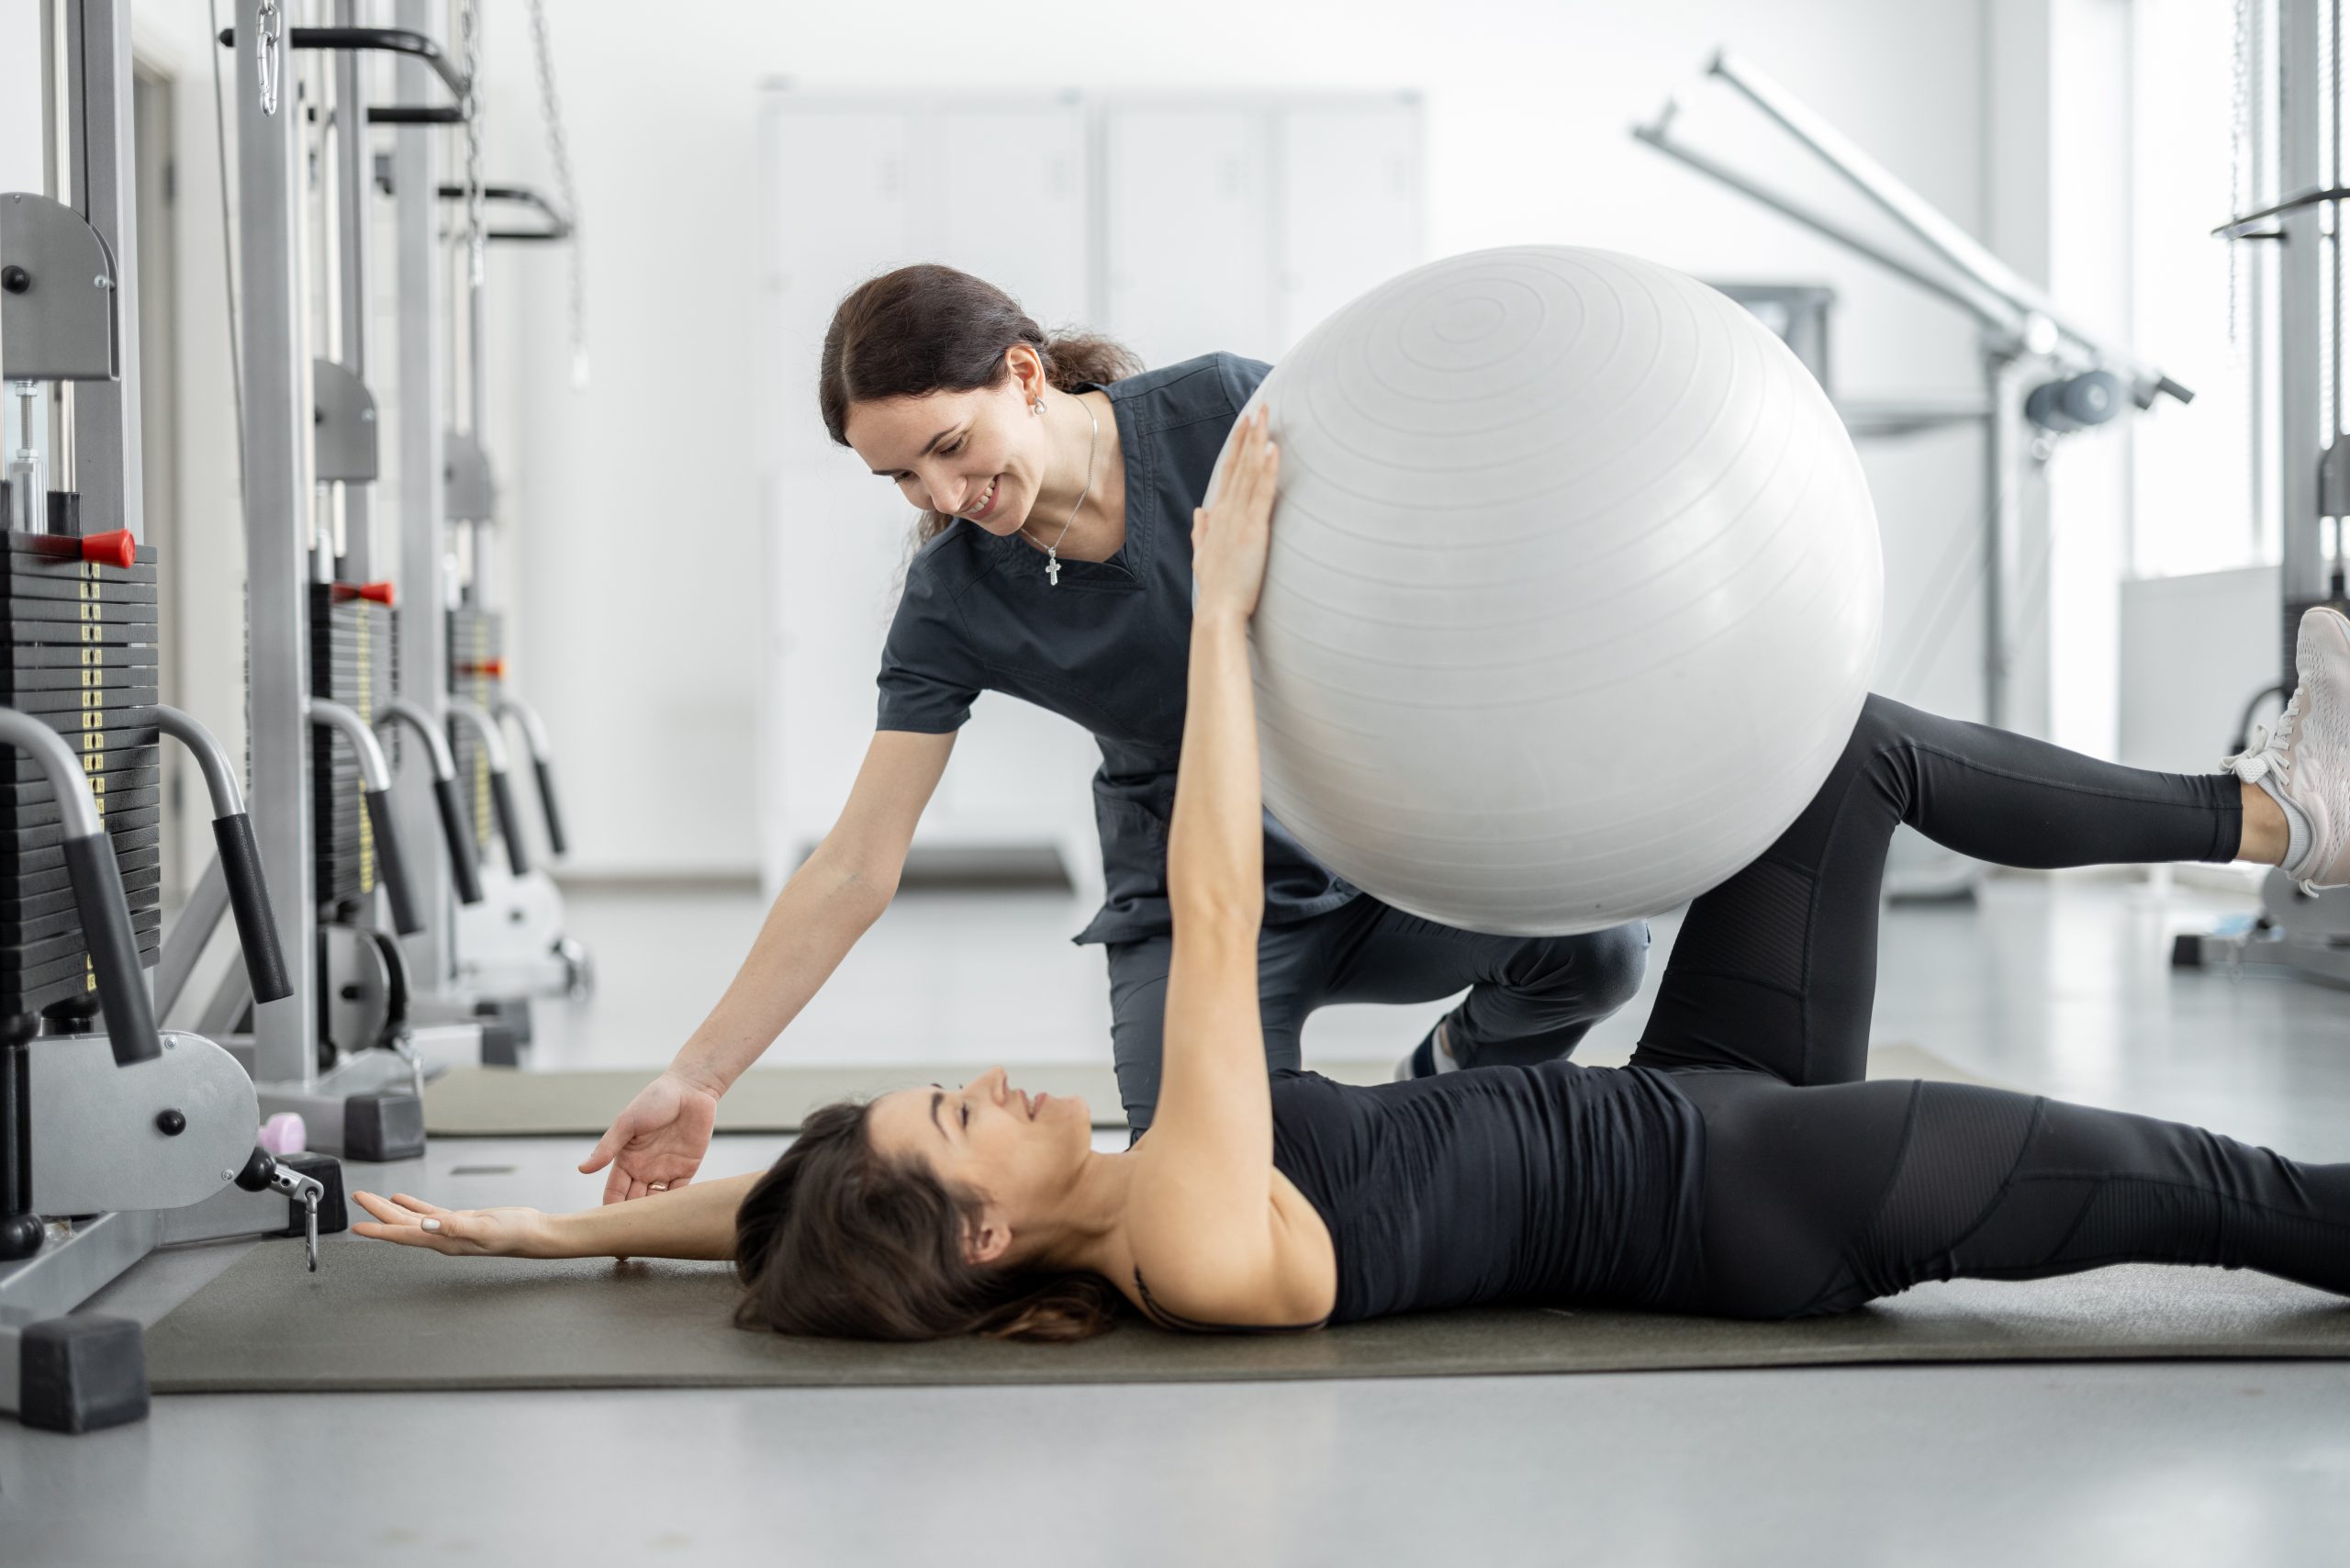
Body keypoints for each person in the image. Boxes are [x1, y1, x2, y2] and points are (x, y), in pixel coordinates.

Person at [360, 411, 2350, 1342]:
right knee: (2252, 1199)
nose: (994, 1076)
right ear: (981, 1237)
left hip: (1699, 1086)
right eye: (967, 1111)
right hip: (1766, 1192)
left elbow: (796, 1220)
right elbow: (1211, 914)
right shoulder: (1198, 1230)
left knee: (1822, 735)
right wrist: (1214, 616)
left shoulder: (1086, 1199)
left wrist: (533, 1235)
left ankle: (2272, 812)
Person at [577, 264, 1652, 1203]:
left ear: (1027, 374)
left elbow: (1425, 576)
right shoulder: (952, 600)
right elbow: (857, 862)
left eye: (951, 446)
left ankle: (1447, 1077)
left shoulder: (1228, 410)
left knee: (1598, 949)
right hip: (1192, 906)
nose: (943, 495)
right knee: (1231, 1194)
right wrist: (700, 1073)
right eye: (901, 476)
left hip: (1375, 852)